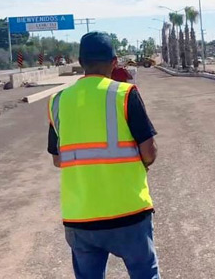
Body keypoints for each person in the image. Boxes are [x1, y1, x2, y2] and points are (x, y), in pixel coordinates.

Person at [47, 32, 160, 279]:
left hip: (80, 218)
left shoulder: (58, 101)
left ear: (80, 61)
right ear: (114, 61)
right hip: (128, 213)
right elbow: (149, 152)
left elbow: (58, 159)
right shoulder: (125, 94)